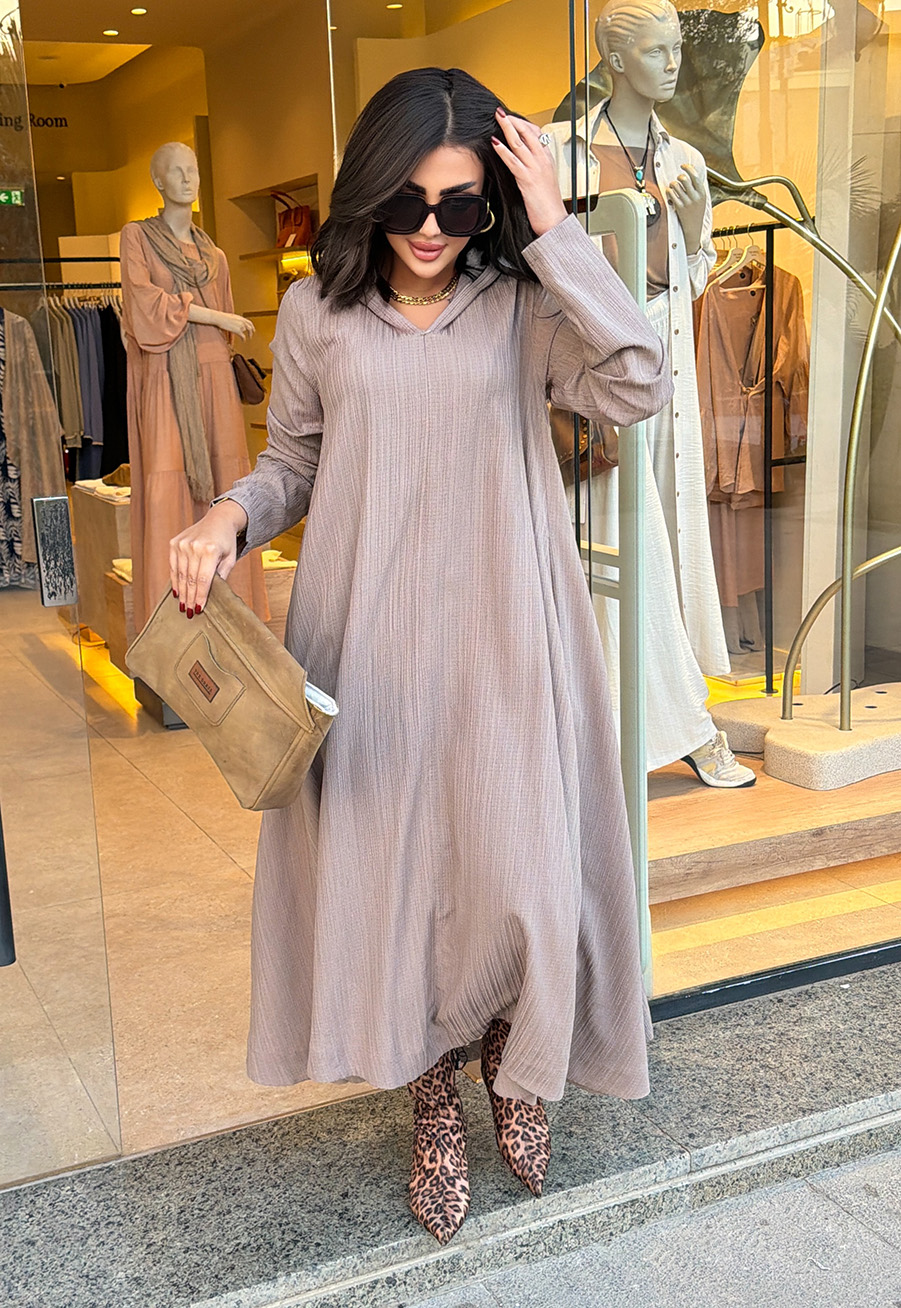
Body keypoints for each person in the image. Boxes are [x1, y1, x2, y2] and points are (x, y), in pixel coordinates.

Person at [170, 66, 670, 1245]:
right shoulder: (317, 314)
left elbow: (638, 381)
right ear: (368, 196)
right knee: (398, 881)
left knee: (523, 871)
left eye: (460, 204)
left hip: (509, 633)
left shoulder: (525, 303)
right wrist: (227, 515)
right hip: (369, 641)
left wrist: (551, 228)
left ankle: (517, 1061)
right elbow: (292, 462)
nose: (432, 229)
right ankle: (432, 1091)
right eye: (407, 203)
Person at [542, 0, 757, 788]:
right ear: (614, 57)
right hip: (594, 377)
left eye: (675, 49)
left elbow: (688, 282)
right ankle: (674, 726)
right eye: (656, 50)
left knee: (660, 539)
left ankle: (646, 722)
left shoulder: (684, 158)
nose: (672, 64)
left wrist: (695, 230)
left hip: (665, 372)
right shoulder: (558, 151)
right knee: (621, 547)